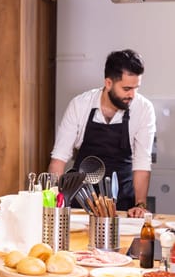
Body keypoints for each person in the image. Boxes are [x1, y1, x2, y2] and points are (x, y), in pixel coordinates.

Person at [48, 49, 156, 218]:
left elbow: (142, 162)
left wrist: (140, 204)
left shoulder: (143, 109)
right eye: (127, 88)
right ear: (108, 83)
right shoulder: (80, 105)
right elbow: (59, 159)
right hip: (82, 201)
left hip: (121, 204)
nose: (132, 95)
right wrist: (54, 203)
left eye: (136, 88)